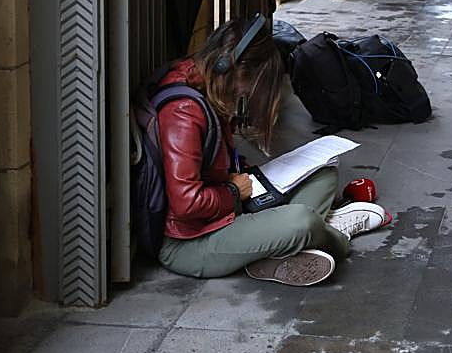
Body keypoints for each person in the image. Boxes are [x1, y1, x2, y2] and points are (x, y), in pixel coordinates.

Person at [155, 16, 392, 285]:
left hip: (228, 209)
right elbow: (186, 205)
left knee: (323, 173)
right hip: (194, 242)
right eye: (252, 85)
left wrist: (244, 178)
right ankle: (334, 235)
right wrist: (234, 191)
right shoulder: (184, 112)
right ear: (237, 69)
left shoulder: (208, 82)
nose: (247, 95)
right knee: (302, 221)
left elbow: (214, 161)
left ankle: (283, 246)